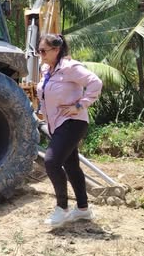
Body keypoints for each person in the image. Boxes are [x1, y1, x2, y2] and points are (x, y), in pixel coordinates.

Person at [36, 33, 103, 228]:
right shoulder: (47, 70)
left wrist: (80, 105)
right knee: (71, 165)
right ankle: (83, 209)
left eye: (43, 51)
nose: (40, 55)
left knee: (51, 162)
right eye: (39, 51)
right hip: (57, 124)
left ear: (56, 50)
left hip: (73, 122)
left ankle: (62, 208)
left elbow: (95, 83)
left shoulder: (70, 67)